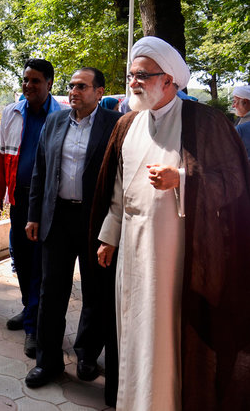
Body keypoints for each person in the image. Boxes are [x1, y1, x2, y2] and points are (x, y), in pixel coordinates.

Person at [91, 36, 250, 410]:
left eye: (142, 75)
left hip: (176, 260)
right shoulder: (127, 124)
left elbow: (235, 183)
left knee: (165, 338)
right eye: (131, 75)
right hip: (131, 253)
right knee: (132, 334)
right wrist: (109, 237)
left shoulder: (204, 122)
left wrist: (182, 178)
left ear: (169, 80)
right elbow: (118, 191)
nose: (133, 82)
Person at [23, 68, 122, 388]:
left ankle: (87, 354)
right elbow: (40, 170)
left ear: (99, 91)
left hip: (95, 220)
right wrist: (34, 215)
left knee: (96, 290)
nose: (74, 91)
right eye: (71, 86)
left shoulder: (114, 125)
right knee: (51, 291)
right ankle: (48, 361)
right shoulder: (55, 121)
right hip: (58, 218)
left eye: (82, 86)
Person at [0, 59, 61, 357]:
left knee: (39, 264)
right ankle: (28, 307)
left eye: (35, 81)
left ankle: (34, 325)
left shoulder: (64, 115)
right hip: (19, 197)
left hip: (49, 201)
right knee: (19, 255)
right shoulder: (11, 112)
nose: (28, 86)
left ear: (49, 84)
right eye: (25, 80)